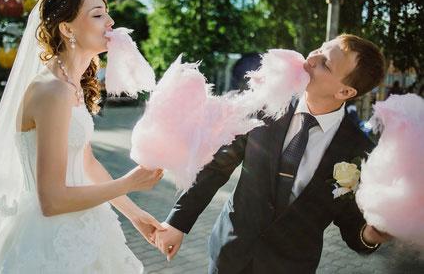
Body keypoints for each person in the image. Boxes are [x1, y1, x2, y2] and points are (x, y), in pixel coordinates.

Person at [0, 0, 163, 273]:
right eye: (97, 15)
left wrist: (135, 214)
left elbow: (87, 162)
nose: (111, 22)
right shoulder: (52, 90)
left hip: (84, 226)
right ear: (67, 29)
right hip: (49, 239)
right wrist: (128, 183)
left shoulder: (71, 85)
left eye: (107, 13)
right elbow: (51, 201)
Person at [154, 34, 392, 273]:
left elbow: (352, 224)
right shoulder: (266, 103)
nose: (312, 57)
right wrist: (177, 222)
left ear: (344, 92)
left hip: (290, 265)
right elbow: (218, 166)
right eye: (320, 48)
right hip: (230, 255)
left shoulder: (359, 150)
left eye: (325, 64)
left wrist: (370, 235)